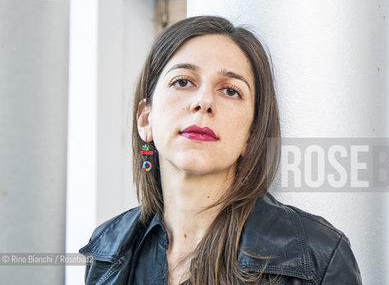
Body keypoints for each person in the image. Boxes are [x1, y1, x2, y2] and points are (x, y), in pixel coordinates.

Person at [79, 16, 362, 285]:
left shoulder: (317, 256)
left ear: (251, 135)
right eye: (183, 81)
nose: (203, 101)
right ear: (145, 119)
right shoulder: (107, 248)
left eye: (230, 90)